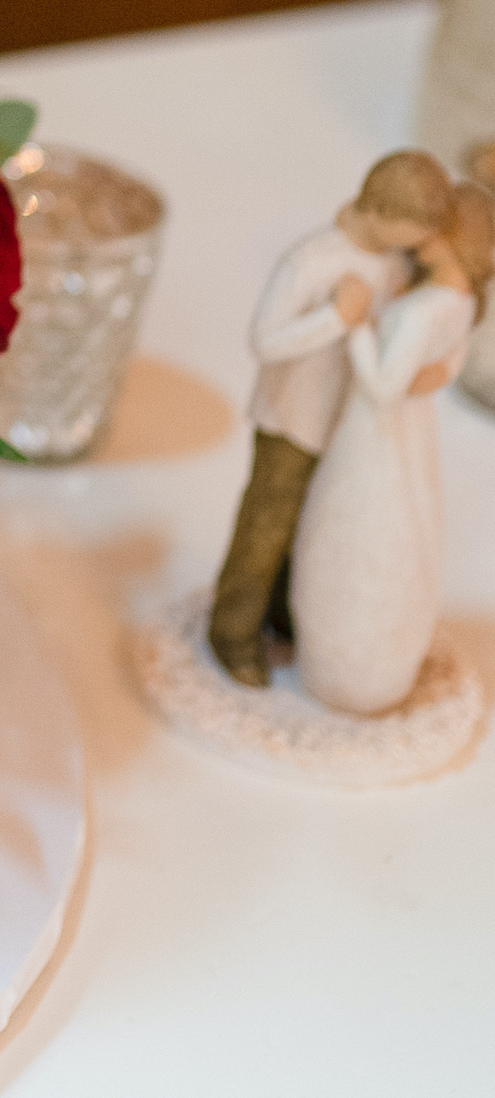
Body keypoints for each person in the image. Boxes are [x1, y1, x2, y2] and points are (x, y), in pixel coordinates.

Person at [205, 150, 452, 688]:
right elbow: (265, 341)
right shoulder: (311, 261)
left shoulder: (394, 264)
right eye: (413, 231)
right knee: (265, 528)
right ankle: (232, 632)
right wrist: (334, 318)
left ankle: (285, 610)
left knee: (310, 522)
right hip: (292, 421)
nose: (417, 246)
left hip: (347, 423)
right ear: (381, 210)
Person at [289, 181, 490, 714]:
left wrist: (356, 324)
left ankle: (348, 666)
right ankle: (375, 665)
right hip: (412, 431)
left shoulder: (424, 310)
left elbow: (381, 388)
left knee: (355, 529)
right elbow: (448, 362)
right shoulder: (462, 302)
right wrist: (434, 372)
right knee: (404, 528)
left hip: (376, 432)